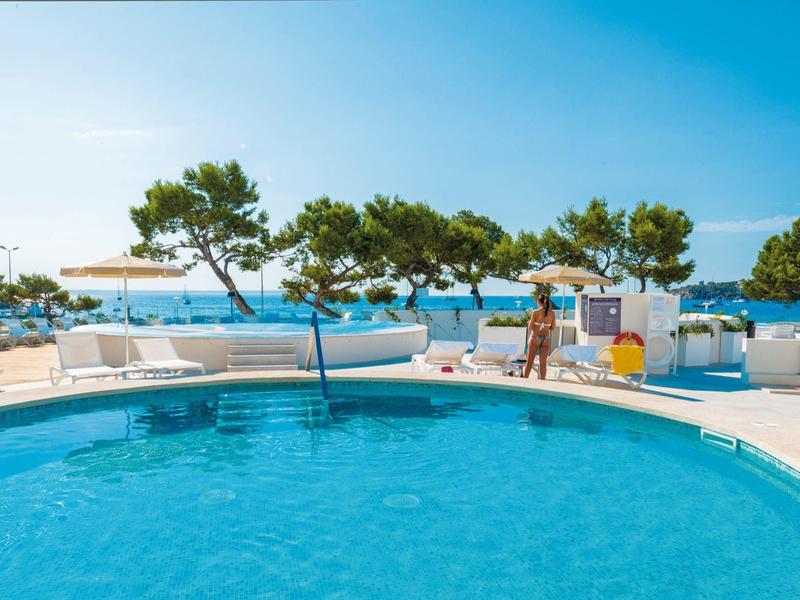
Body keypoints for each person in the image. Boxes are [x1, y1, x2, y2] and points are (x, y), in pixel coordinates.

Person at [523, 294, 557, 379]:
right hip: (546, 338)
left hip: (535, 337)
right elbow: (553, 327)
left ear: (539, 302)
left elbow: (530, 327)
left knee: (529, 361)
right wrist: (545, 327)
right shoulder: (552, 313)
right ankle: (542, 381)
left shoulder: (535, 312)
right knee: (543, 363)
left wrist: (536, 327)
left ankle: (524, 381)